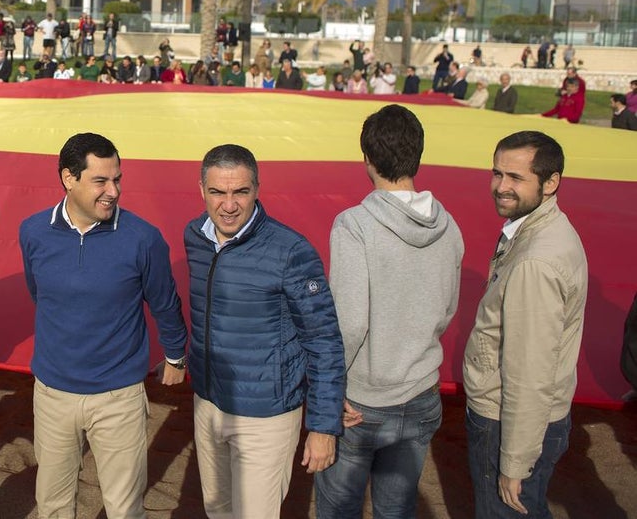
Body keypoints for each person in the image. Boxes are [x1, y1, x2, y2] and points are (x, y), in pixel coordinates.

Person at [21, 132, 187, 519]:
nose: (113, 191)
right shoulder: (33, 231)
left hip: (119, 398)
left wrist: (176, 356)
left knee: (124, 509)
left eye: (117, 179)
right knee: (53, 505)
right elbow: (40, 293)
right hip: (52, 395)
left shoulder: (143, 238)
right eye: (101, 181)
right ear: (69, 178)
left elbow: (165, 302)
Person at [315, 106, 463, 518]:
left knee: (339, 509)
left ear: (367, 158)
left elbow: (349, 322)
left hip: (362, 403)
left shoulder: (354, 225)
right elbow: (447, 308)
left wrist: (330, 390)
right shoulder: (449, 227)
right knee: (396, 509)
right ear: (418, 154)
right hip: (422, 392)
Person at [185, 144, 344, 518]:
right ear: (201, 189)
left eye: (240, 192)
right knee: (217, 510)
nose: (229, 205)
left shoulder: (291, 251)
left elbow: (324, 340)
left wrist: (323, 427)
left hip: (265, 418)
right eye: (217, 192)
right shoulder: (195, 236)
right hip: (208, 405)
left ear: (257, 189)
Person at [464, 131, 587, 518]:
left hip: (507, 422)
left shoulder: (536, 261)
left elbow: (529, 371)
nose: (501, 187)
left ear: (551, 182)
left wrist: (515, 462)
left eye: (516, 178)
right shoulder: (540, 229)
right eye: (497, 173)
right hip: (523, 418)